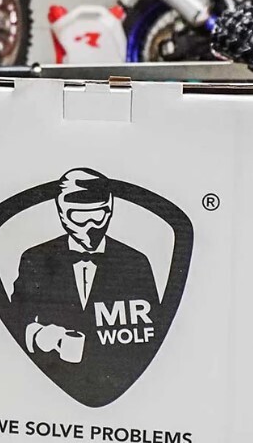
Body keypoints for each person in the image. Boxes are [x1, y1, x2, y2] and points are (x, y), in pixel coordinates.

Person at [9, 168, 159, 393]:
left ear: (110, 211)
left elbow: (153, 330)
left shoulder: (135, 262)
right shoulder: (36, 258)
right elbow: (13, 318)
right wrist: (41, 335)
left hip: (117, 384)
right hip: (45, 386)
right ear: (61, 214)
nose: (90, 226)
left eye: (98, 215)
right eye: (79, 216)